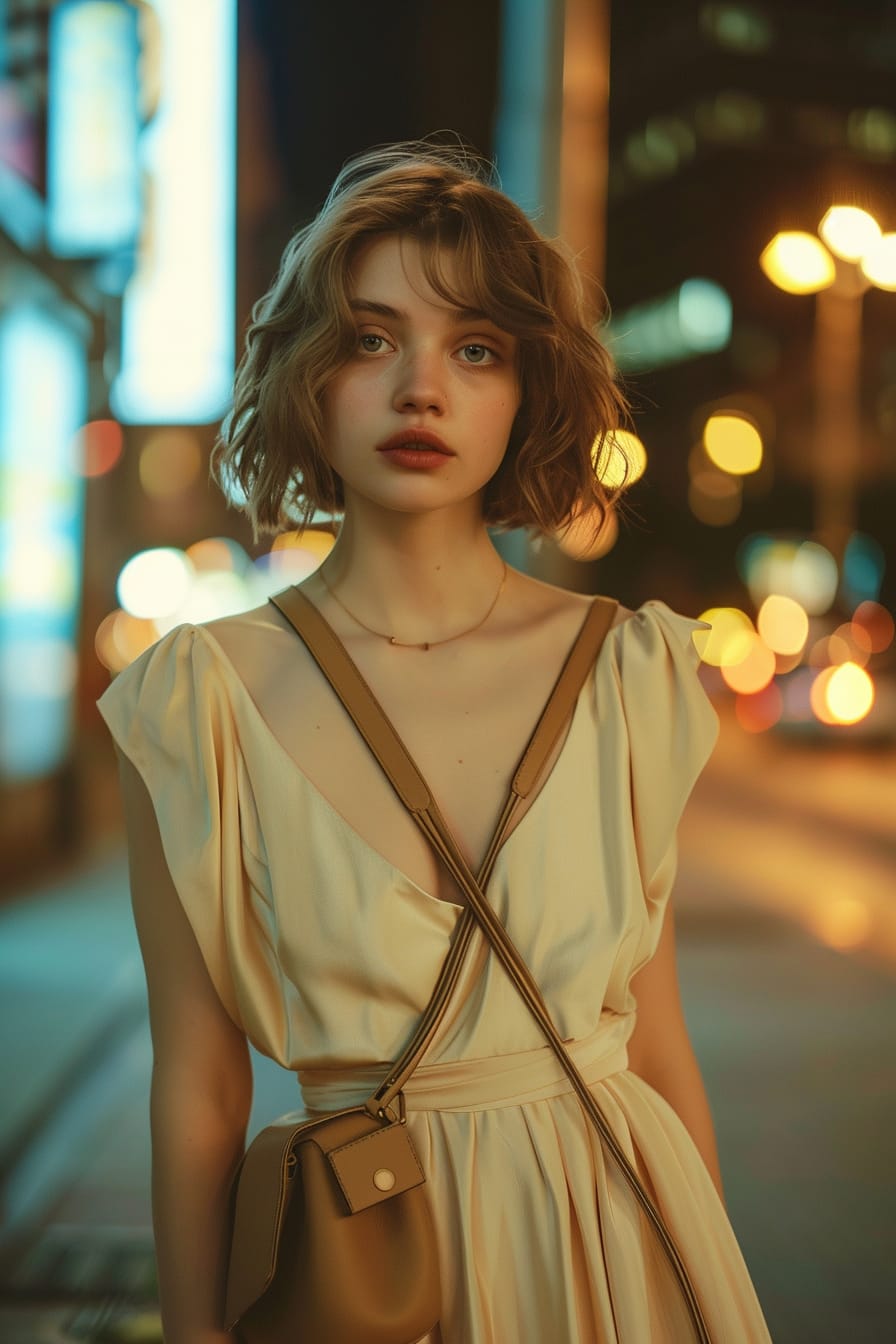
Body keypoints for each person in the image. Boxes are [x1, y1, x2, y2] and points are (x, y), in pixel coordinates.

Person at [97, 142, 773, 1343]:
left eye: (476, 349)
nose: (422, 388)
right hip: (357, 1268)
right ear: (309, 374)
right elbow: (198, 1088)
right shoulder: (196, 702)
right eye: (369, 339)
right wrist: (194, 1331)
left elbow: (653, 1047)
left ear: (528, 389)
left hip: (612, 1250)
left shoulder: (627, 672)